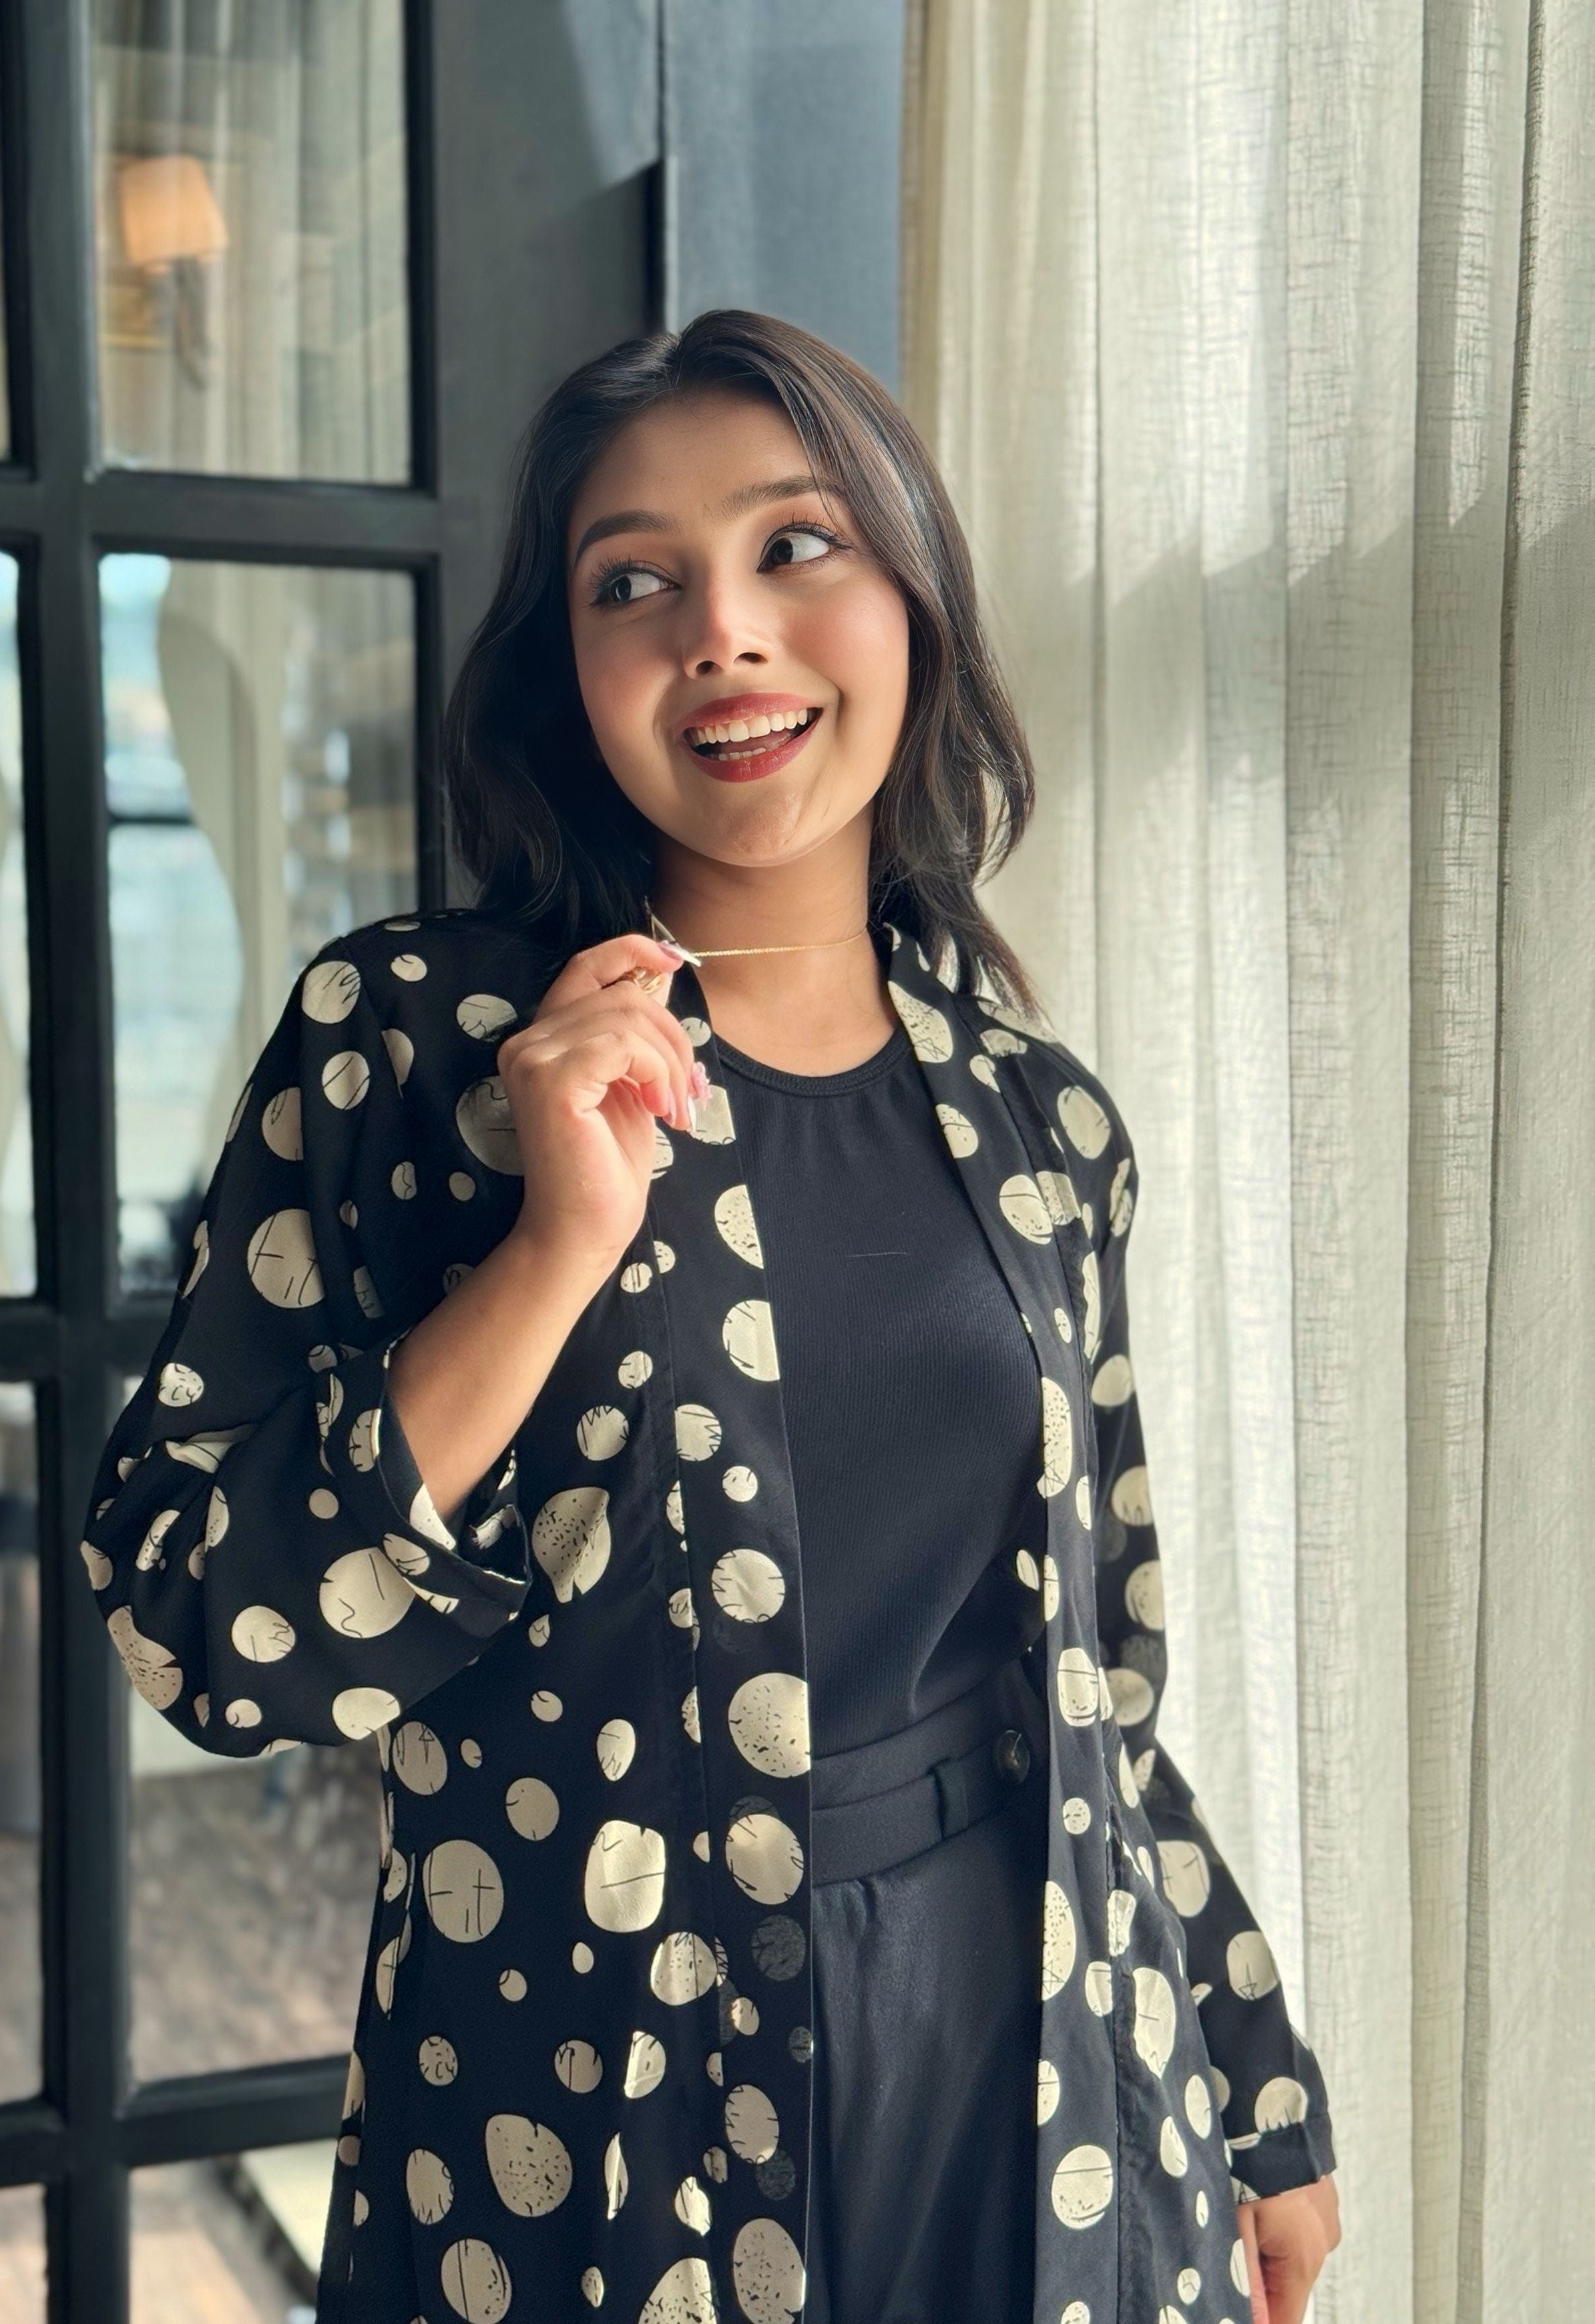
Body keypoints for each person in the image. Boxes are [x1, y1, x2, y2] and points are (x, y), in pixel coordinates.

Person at [81, 309, 1341, 2324]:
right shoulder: (407, 1048)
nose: (723, 633)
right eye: (634, 582)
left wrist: (1255, 2078)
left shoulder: (1038, 1118)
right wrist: (551, 1241)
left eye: (795, 547)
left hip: (1029, 2036)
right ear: (564, 669)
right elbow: (206, 1631)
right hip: (588, 2077)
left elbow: (1090, 1673)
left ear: (910, 591)